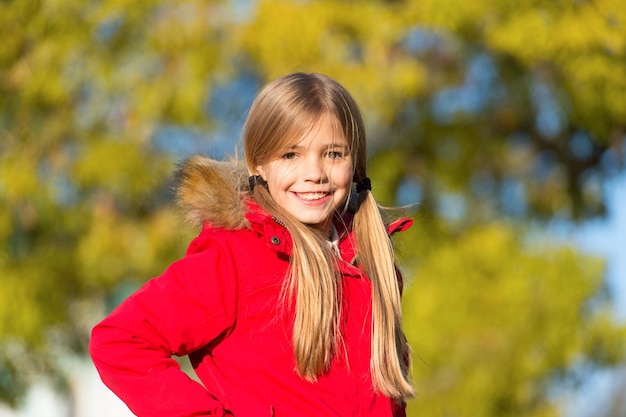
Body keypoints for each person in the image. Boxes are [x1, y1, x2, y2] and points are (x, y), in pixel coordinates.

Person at [89, 72, 414, 416]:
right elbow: (120, 341)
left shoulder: (372, 261)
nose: (315, 173)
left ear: (355, 163)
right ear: (259, 162)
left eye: (333, 154)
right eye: (291, 155)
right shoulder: (234, 257)